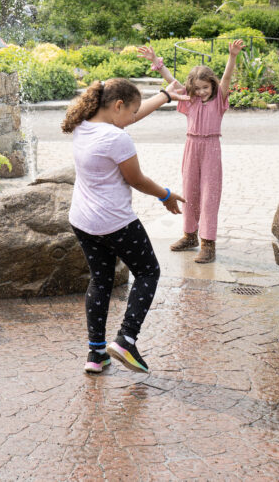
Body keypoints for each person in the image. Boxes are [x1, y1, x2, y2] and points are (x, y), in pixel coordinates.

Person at [61, 77, 187, 374]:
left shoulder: (82, 123)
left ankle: (96, 354)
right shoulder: (117, 139)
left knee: (101, 280)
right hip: (114, 222)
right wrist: (166, 196)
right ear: (117, 106)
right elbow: (137, 180)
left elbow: (126, 119)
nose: (133, 118)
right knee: (148, 271)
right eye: (131, 112)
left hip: (83, 220)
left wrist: (166, 96)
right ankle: (126, 339)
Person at [139, 39, 244, 264]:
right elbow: (171, 81)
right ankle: (189, 236)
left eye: (206, 87)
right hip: (191, 146)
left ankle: (208, 243)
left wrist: (232, 56)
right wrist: (156, 61)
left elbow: (226, 79)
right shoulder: (190, 100)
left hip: (211, 147)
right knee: (190, 191)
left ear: (212, 86)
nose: (201, 91)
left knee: (209, 195)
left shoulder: (218, 101)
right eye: (197, 88)